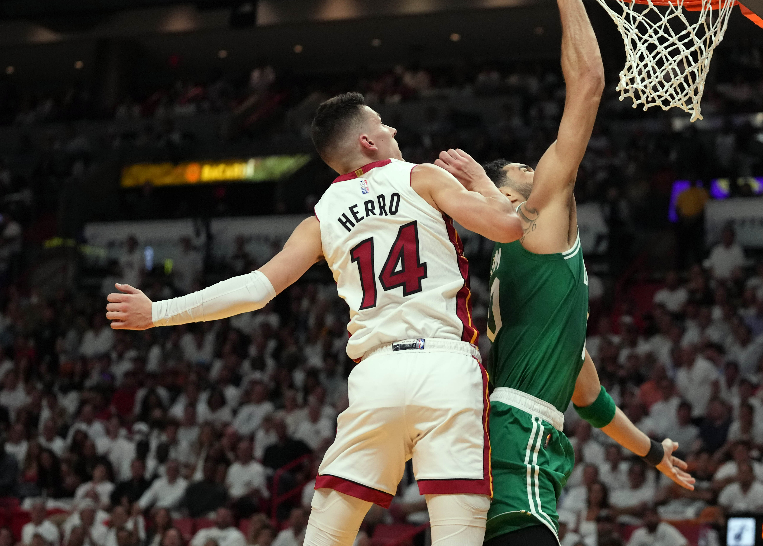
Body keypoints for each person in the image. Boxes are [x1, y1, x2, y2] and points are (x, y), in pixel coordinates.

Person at [106, 67, 526, 545]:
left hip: (378, 376)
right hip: (446, 367)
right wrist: (480, 182)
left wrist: (158, 311)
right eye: (384, 124)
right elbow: (508, 226)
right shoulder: (422, 177)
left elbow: (255, 289)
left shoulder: (322, 215)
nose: (393, 130)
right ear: (368, 141)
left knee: (327, 536)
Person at [457, 0, 690, 546]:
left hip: (506, 430)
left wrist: (649, 454)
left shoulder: (534, 279)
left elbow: (588, 393)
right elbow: (587, 84)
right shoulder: (536, 225)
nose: (547, 176)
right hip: (519, 434)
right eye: (529, 176)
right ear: (514, 197)